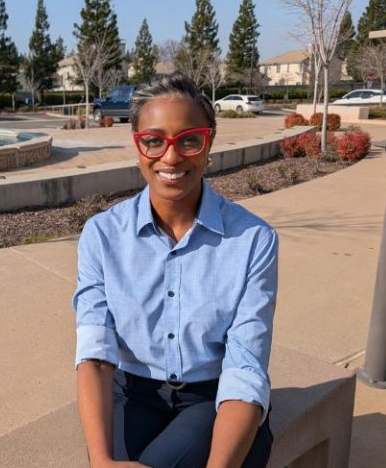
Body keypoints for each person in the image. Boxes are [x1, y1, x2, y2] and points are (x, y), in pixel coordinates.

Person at [72, 73, 277, 468]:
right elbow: (95, 353)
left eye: (189, 139)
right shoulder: (102, 234)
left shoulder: (253, 240)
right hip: (130, 391)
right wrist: (99, 460)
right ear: (138, 145)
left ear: (209, 142)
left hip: (210, 395)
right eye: (154, 140)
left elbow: (246, 365)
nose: (170, 157)